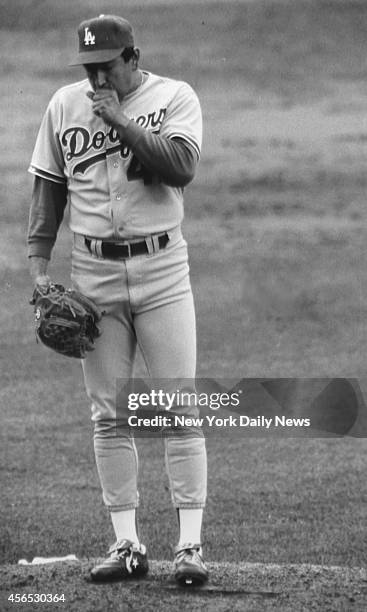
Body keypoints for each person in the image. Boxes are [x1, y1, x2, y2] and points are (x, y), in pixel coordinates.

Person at [27, 14, 208, 586]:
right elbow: (48, 190)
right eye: (89, 68)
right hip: (93, 275)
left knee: (178, 408)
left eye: (107, 65)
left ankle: (189, 548)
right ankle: (127, 544)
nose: (96, 78)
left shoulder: (175, 97)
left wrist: (122, 123)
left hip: (162, 271)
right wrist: (38, 271)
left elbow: (180, 166)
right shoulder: (63, 106)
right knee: (109, 414)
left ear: (132, 56)